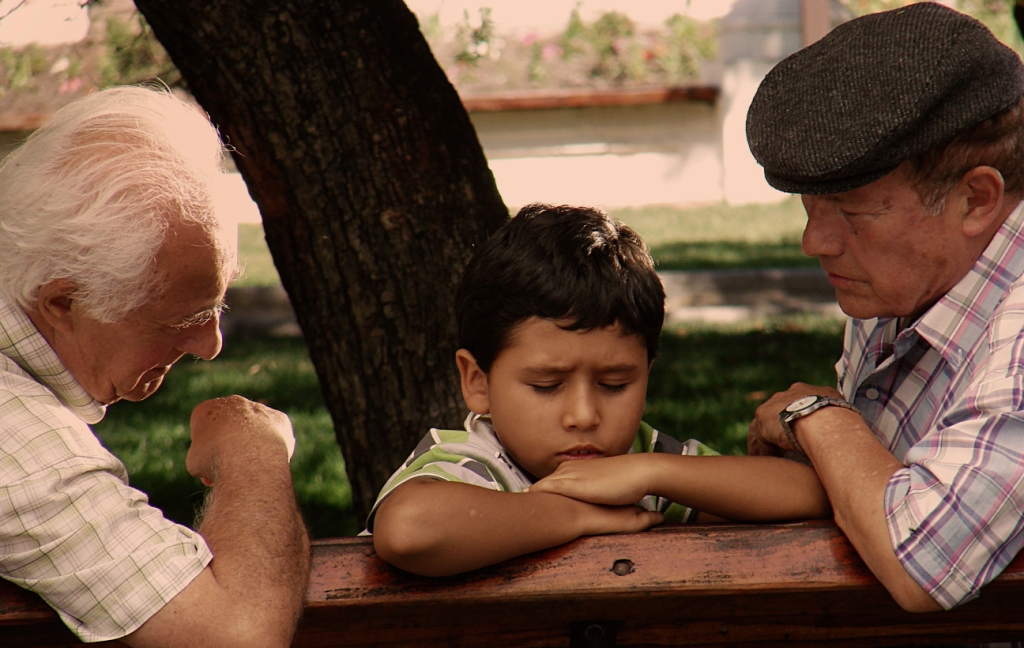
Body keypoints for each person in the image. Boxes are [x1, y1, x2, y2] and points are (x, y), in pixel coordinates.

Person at [0, 86, 310, 648]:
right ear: (62, 301)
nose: (212, 346)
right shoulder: (21, 446)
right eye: (177, 322)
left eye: (215, 307)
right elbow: (243, 647)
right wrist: (253, 449)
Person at [369, 203, 829, 576]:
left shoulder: (639, 465)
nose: (584, 415)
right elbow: (410, 530)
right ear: (477, 381)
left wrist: (654, 473)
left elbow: (812, 491)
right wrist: (574, 516)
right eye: (546, 386)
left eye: (614, 384)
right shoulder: (470, 464)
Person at [743, 2, 1024, 612]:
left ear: (976, 199)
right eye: (810, 204)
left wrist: (816, 412)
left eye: (851, 206)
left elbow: (923, 564)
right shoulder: (902, 283)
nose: (814, 242)